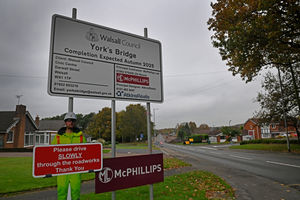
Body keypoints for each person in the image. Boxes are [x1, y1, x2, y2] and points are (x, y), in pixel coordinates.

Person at [51, 112, 86, 200]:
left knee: (76, 191)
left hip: (76, 169)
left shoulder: (81, 137)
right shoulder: (58, 137)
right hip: (62, 169)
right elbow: (52, 152)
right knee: (62, 190)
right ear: (65, 122)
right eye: (69, 120)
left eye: (73, 120)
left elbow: (86, 153)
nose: (71, 122)